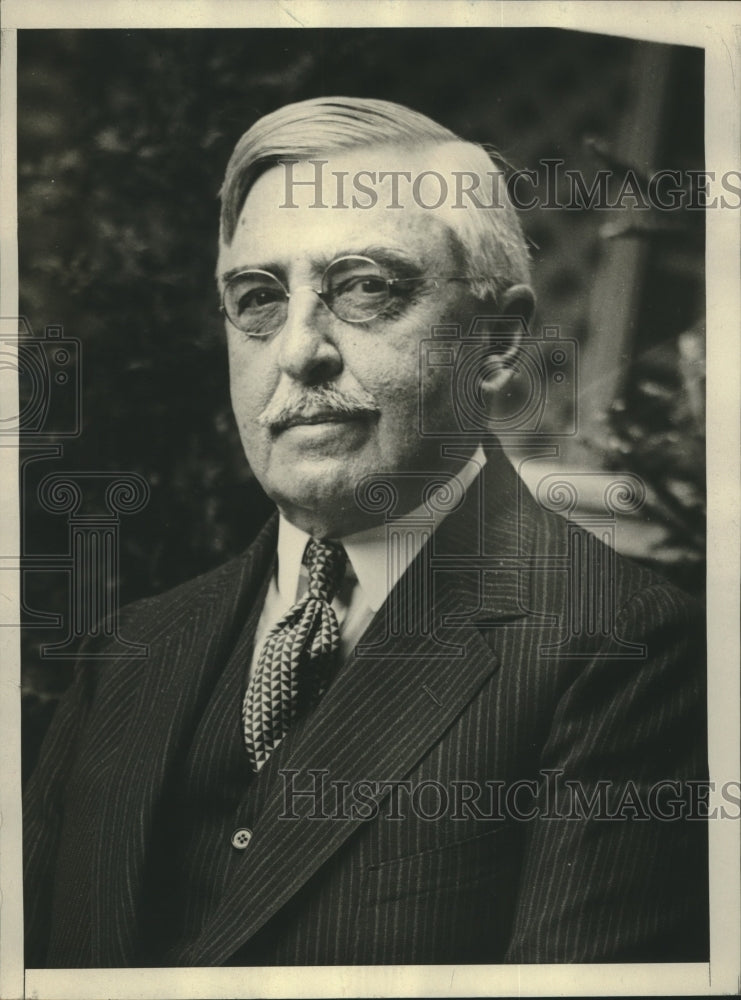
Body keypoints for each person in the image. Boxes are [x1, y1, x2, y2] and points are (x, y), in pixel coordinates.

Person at [23, 97, 708, 967]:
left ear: (494, 342)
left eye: (364, 288)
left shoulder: (627, 651)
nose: (299, 350)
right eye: (258, 298)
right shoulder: (132, 647)